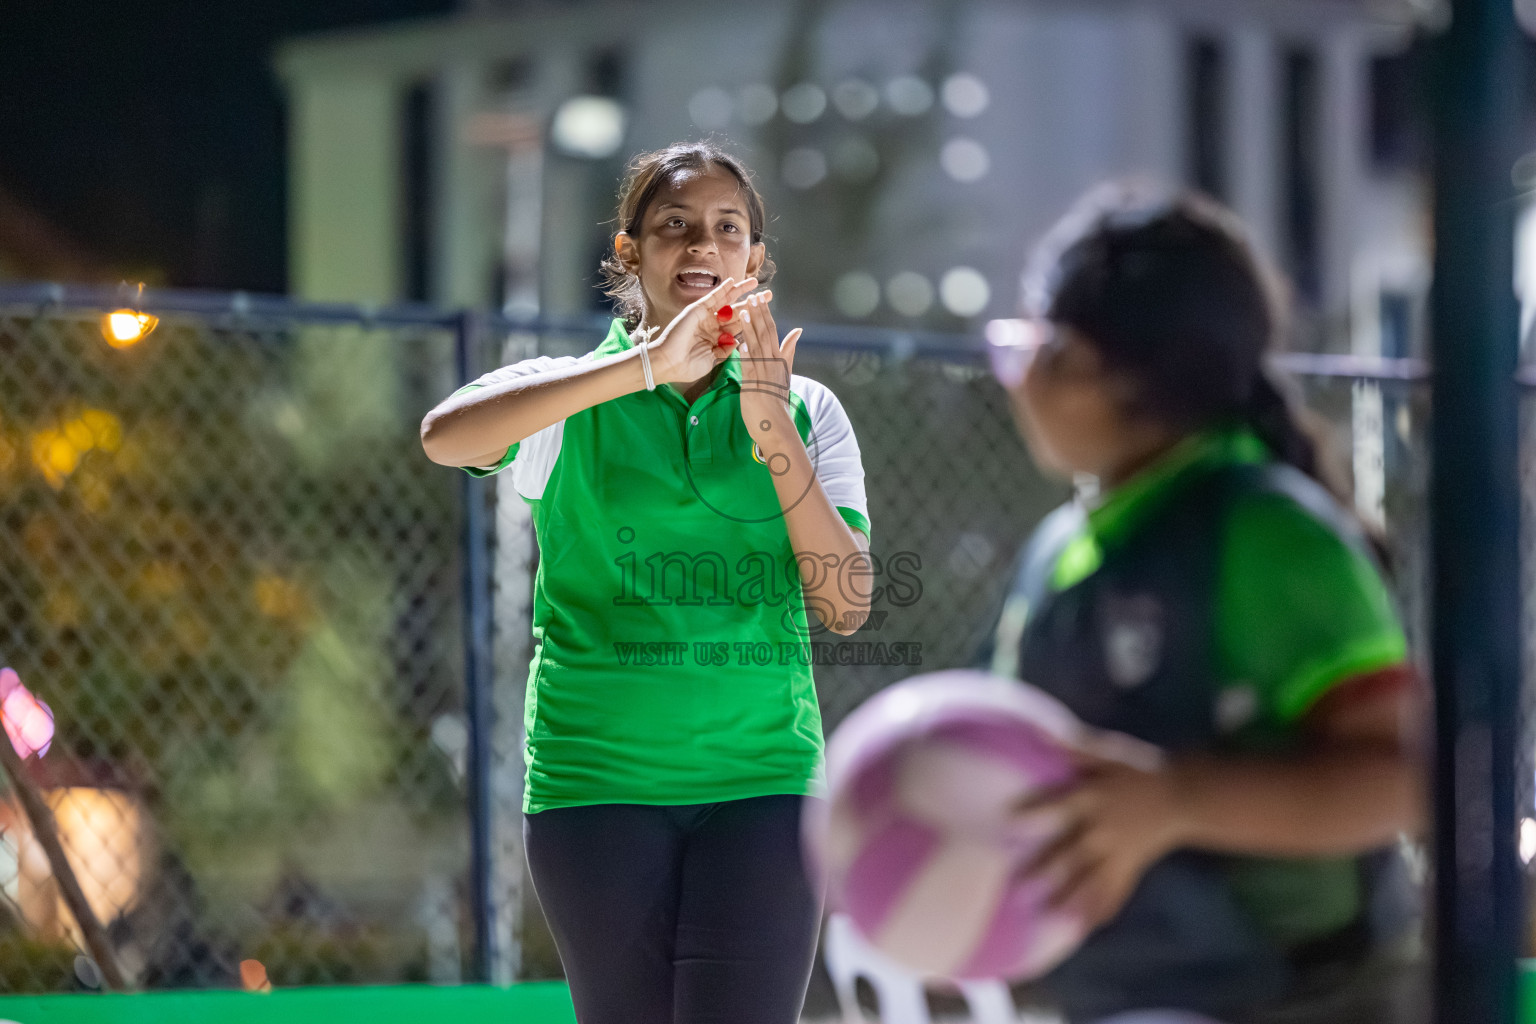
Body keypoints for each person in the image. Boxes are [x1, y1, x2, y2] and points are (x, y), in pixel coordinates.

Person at [419, 141, 872, 1024]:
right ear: (630, 253)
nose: (701, 245)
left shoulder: (808, 408)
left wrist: (770, 426)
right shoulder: (568, 393)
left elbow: (847, 603)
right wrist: (646, 368)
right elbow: (445, 436)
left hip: (765, 788)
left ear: (754, 260)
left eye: (726, 229)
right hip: (596, 789)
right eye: (674, 225)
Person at [983, 181, 1425, 1024]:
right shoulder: (1069, 543)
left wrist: (1178, 800)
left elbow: (1404, 778)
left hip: (1300, 999)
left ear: (1088, 367)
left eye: (1024, 346)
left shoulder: (1266, 536)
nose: (1010, 379)